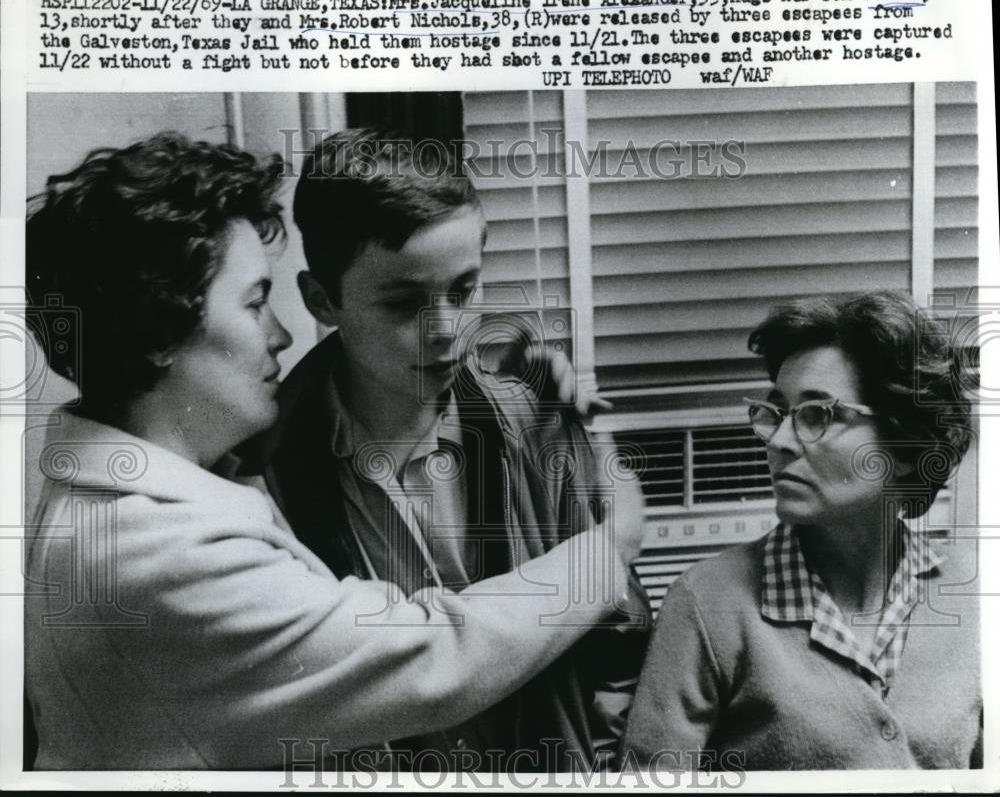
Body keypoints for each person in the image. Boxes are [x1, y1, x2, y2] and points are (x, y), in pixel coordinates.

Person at [22, 132, 642, 770]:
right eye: (257, 303)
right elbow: (439, 655)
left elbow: (619, 659)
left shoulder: (533, 421)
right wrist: (614, 543)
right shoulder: (168, 545)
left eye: (463, 291)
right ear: (157, 332)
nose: (282, 332)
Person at [249, 129, 651, 771]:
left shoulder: (536, 421)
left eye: (462, 292)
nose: (446, 332)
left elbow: (620, 640)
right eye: (404, 303)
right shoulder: (262, 475)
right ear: (322, 300)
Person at [622, 291, 980, 771]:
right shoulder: (708, 603)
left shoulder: (976, 593)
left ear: (905, 442)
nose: (780, 442)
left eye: (818, 414)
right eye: (779, 412)